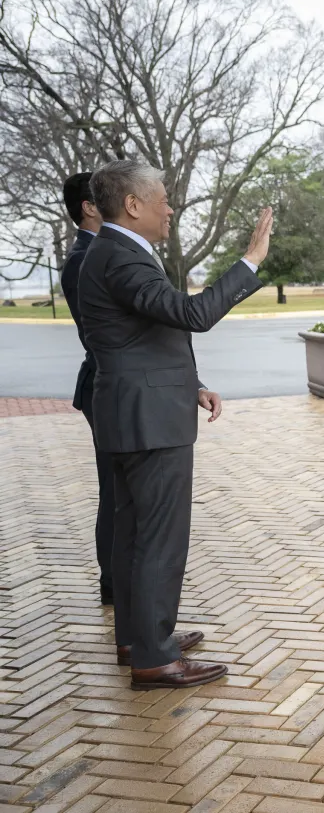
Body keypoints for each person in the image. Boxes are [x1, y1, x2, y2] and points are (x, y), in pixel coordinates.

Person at [77, 158, 271, 690]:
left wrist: (192, 384)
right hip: (148, 423)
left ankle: (138, 638)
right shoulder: (121, 257)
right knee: (158, 539)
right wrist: (249, 262)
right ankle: (156, 658)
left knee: (134, 534)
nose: (170, 206)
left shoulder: (113, 253)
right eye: (162, 196)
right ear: (133, 205)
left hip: (133, 412)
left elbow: (145, 338)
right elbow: (192, 314)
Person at [59, 173, 113, 605]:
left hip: (112, 383)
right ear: (88, 208)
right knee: (115, 490)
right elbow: (99, 333)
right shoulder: (83, 259)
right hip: (105, 384)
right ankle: (114, 584)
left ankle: (121, 587)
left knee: (121, 489)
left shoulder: (101, 250)